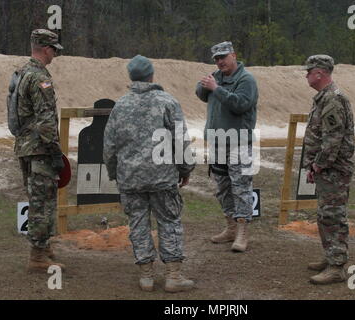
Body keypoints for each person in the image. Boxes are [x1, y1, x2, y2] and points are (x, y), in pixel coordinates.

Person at [103, 55, 196, 293]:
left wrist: (115, 174)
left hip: (130, 178)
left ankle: (146, 276)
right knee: (169, 221)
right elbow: (180, 141)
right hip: (162, 177)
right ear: (152, 75)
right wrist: (185, 170)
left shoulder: (120, 105)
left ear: (131, 77)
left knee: (137, 223)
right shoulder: (167, 102)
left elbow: (109, 146)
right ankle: (173, 275)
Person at [195, 41, 258, 252]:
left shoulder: (246, 79)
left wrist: (216, 88)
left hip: (239, 143)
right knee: (222, 187)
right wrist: (208, 84)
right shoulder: (217, 77)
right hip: (217, 142)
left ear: (234, 55)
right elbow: (200, 93)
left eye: (223, 57)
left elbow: (240, 104)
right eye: (216, 59)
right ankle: (230, 226)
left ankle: (242, 232)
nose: (220, 62)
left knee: (241, 188)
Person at [13, 29, 65, 272]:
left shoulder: (23, 72)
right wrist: (55, 151)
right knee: (43, 203)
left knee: (37, 201)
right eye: (54, 49)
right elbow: (46, 120)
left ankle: (43, 248)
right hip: (40, 149)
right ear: (46, 49)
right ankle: (37, 257)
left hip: (25, 146)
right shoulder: (40, 78)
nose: (55, 54)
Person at [302, 55, 355, 285]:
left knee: (333, 216)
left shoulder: (332, 100)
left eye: (309, 71)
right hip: (327, 169)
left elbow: (332, 140)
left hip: (334, 170)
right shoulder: (324, 98)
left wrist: (318, 164)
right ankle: (330, 255)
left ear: (319, 73)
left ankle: (337, 266)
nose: (306, 75)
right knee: (325, 215)